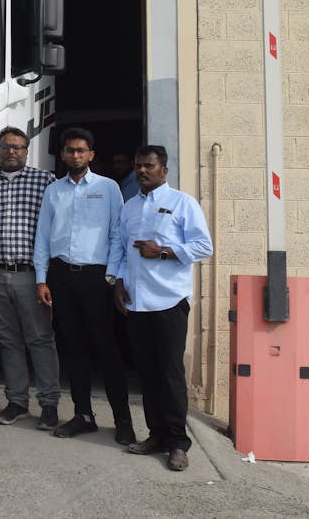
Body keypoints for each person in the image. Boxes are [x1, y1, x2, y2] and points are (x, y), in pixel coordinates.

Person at [34, 127, 137, 445]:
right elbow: (42, 235)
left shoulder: (108, 188)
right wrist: (41, 278)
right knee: (72, 348)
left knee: (106, 349)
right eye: (70, 150)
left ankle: (123, 420)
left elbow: (117, 235)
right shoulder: (54, 191)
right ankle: (83, 415)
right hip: (61, 276)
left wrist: (111, 276)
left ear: (91, 154)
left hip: (97, 278)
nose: (75, 155)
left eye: (81, 150)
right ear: (63, 154)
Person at [114, 145, 213, 472]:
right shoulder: (129, 207)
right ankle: (156, 435)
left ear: (164, 170)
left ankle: (178, 443)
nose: (142, 171)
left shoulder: (183, 203)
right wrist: (118, 281)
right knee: (147, 372)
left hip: (170, 301)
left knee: (170, 373)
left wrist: (164, 251)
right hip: (137, 302)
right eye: (138, 166)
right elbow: (122, 249)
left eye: (149, 166)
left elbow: (204, 246)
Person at [0, 127, 60, 429]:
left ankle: (49, 404)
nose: (11, 152)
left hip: (31, 275)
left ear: (27, 150)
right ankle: (17, 402)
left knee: (40, 339)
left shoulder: (45, 181)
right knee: (8, 340)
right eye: (5, 147)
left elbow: (59, 226)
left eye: (17, 147)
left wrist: (48, 276)